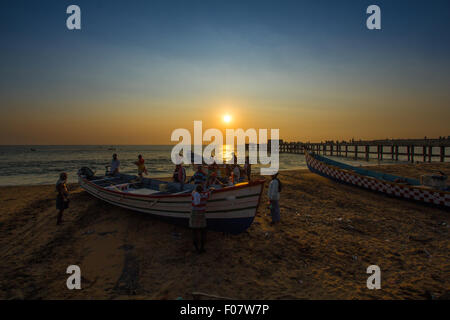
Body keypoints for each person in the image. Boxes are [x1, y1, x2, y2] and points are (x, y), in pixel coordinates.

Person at [190, 184, 210, 253]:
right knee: (203, 231)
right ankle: (202, 248)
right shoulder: (205, 196)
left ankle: (196, 248)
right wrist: (210, 190)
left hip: (194, 214)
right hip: (201, 214)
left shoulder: (193, 194)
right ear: (202, 191)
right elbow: (208, 193)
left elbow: (193, 192)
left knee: (194, 231)